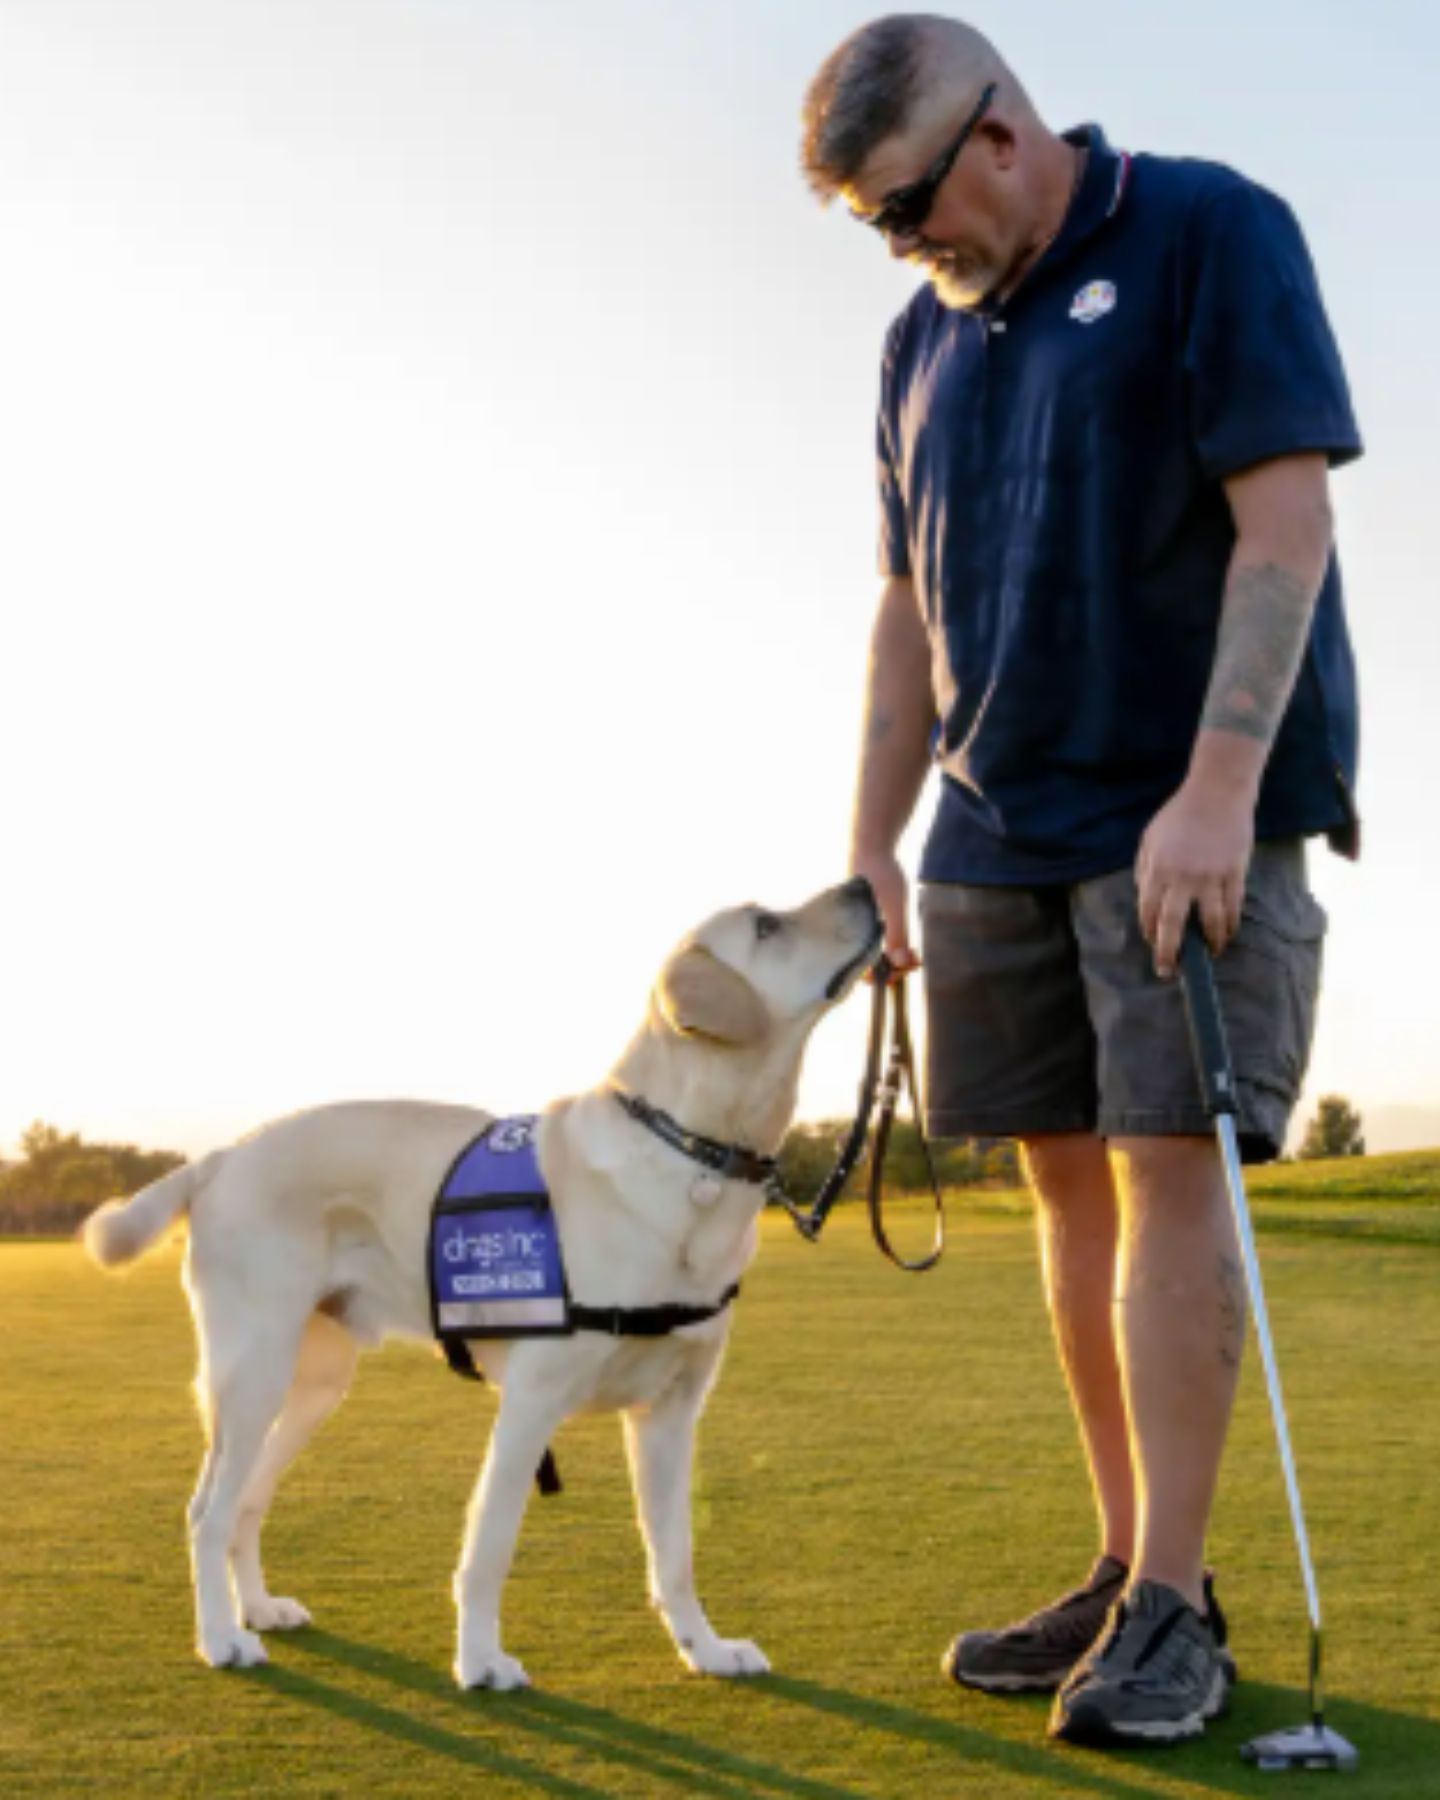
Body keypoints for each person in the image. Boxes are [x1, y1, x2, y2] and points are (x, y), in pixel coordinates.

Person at [799, 14, 1361, 1750]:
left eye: (909, 211)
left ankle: (1181, 1605)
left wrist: (1214, 791)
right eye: (880, 232)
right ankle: (1124, 1570)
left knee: (1169, 1181)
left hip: (1177, 817)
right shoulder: (917, 340)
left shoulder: (1210, 229)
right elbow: (908, 612)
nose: (908, 250)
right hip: (991, 826)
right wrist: (871, 844)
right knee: (1066, 1200)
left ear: (995, 134)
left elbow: (1286, 531)